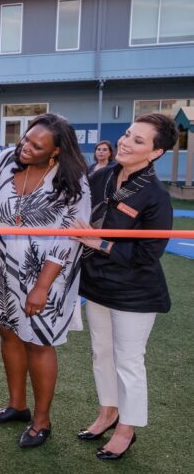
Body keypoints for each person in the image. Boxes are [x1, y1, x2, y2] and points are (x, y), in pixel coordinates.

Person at [0, 113, 91, 448]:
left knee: (39, 342)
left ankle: (42, 421)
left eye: (36, 146)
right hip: (1, 263)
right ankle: (17, 406)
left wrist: (41, 287)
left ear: (55, 152)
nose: (26, 148)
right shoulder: (4, 161)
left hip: (47, 273)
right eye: (26, 139)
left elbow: (72, 235)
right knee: (9, 332)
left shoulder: (72, 178)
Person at [74, 113, 178, 460]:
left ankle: (127, 428)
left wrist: (97, 242)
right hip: (98, 285)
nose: (126, 142)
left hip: (136, 292)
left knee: (129, 360)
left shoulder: (156, 196)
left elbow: (149, 254)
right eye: (127, 134)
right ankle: (108, 411)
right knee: (101, 353)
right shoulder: (102, 175)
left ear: (155, 153)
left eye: (138, 140)